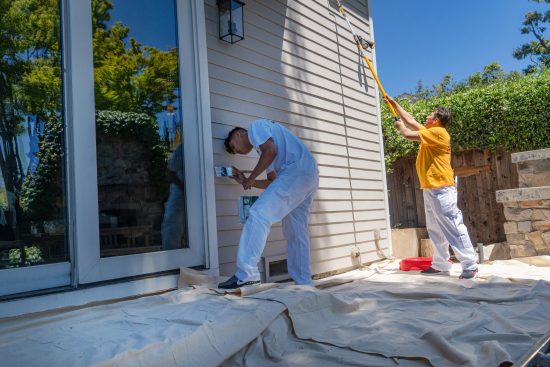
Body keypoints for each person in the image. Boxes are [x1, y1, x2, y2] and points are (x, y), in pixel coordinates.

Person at [385, 96, 478, 279]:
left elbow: (408, 133)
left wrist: (400, 128)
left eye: (429, 115)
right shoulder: (430, 133)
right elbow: (411, 121)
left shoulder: (439, 133)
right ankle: (441, 264)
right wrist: (394, 104)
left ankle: (470, 264)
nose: (426, 117)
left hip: (442, 187)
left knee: (452, 225)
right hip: (431, 188)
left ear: (436, 120)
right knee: (435, 228)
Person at [218, 119, 319, 289]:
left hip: (295, 170)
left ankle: (247, 274)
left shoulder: (255, 128)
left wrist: (251, 178)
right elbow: (273, 181)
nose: (238, 152)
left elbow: (270, 151)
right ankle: (304, 283)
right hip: (308, 174)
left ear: (238, 134)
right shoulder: (265, 146)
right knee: (296, 230)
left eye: (234, 147)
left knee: (258, 214)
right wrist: (246, 180)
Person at [161, 143, 186, 250]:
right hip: (179, 190)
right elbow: (171, 172)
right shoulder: (183, 148)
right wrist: (184, 189)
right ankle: (170, 257)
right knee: (173, 223)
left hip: (195, 193)